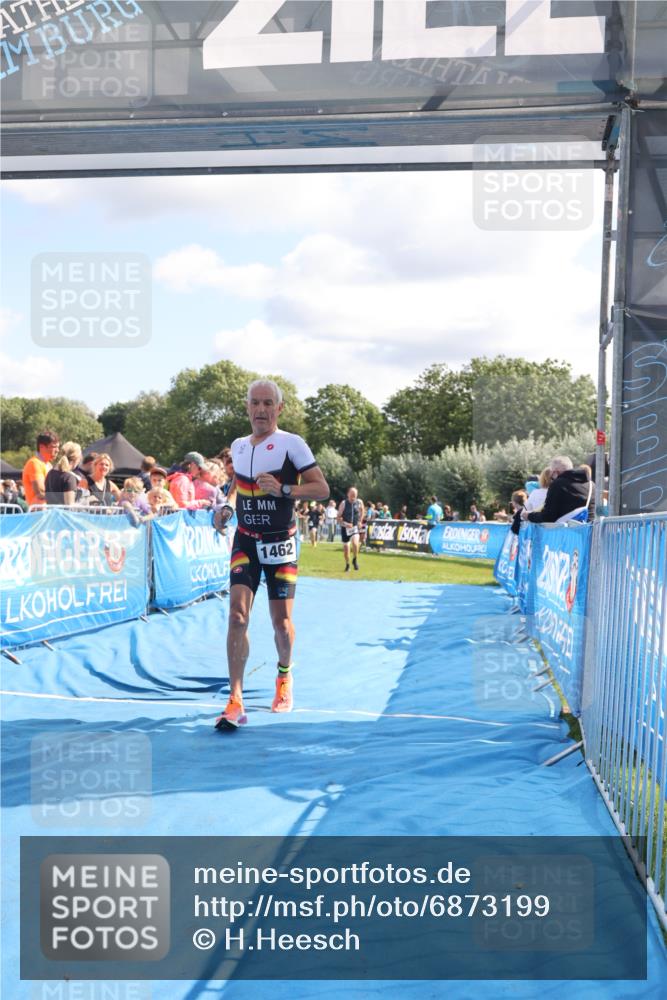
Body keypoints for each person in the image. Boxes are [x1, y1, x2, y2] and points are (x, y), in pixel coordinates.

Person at [213, 379, 329, 731]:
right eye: (255, 403)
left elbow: (322, 489)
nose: (261, 410)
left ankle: (284, 675)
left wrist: (284, 489)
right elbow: (236, 490)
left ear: (279, 409)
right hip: (245, 541)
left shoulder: (292, 444)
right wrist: (227, 508)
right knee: (237, 617)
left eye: (268, 404)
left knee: (281, 623)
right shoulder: (237, 446)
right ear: (247, 407)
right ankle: (235, 699)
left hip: (281, 543)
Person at [525, 457, 595, 524]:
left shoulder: (558, 484)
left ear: (555, 472)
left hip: (568, 532)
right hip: (589, 531)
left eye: (551, 475)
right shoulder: (591, 485)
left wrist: (529, 516)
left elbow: (548, 517)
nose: (551, 478)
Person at [22, 430, 59, 507]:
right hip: (38, 513)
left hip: (48, 511)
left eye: (58, 447)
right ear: (42, 447)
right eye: (54, 447)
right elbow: (41, 492)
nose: (57, 450)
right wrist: (64, 497)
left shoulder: (49, 465)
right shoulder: (34, 463)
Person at [338, 486, 364, 572]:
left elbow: (362, 510)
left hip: (355, 527)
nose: (353, 497)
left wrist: (360, 521)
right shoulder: (343, 503)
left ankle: (355, 559)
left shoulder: (359, 502)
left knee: (356, 543)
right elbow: (338, 518)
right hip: (345, 528)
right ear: (348, 494)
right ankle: (347, 564)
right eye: (352, 495)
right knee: (346, 549)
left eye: (355, 495)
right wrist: (346, 524)